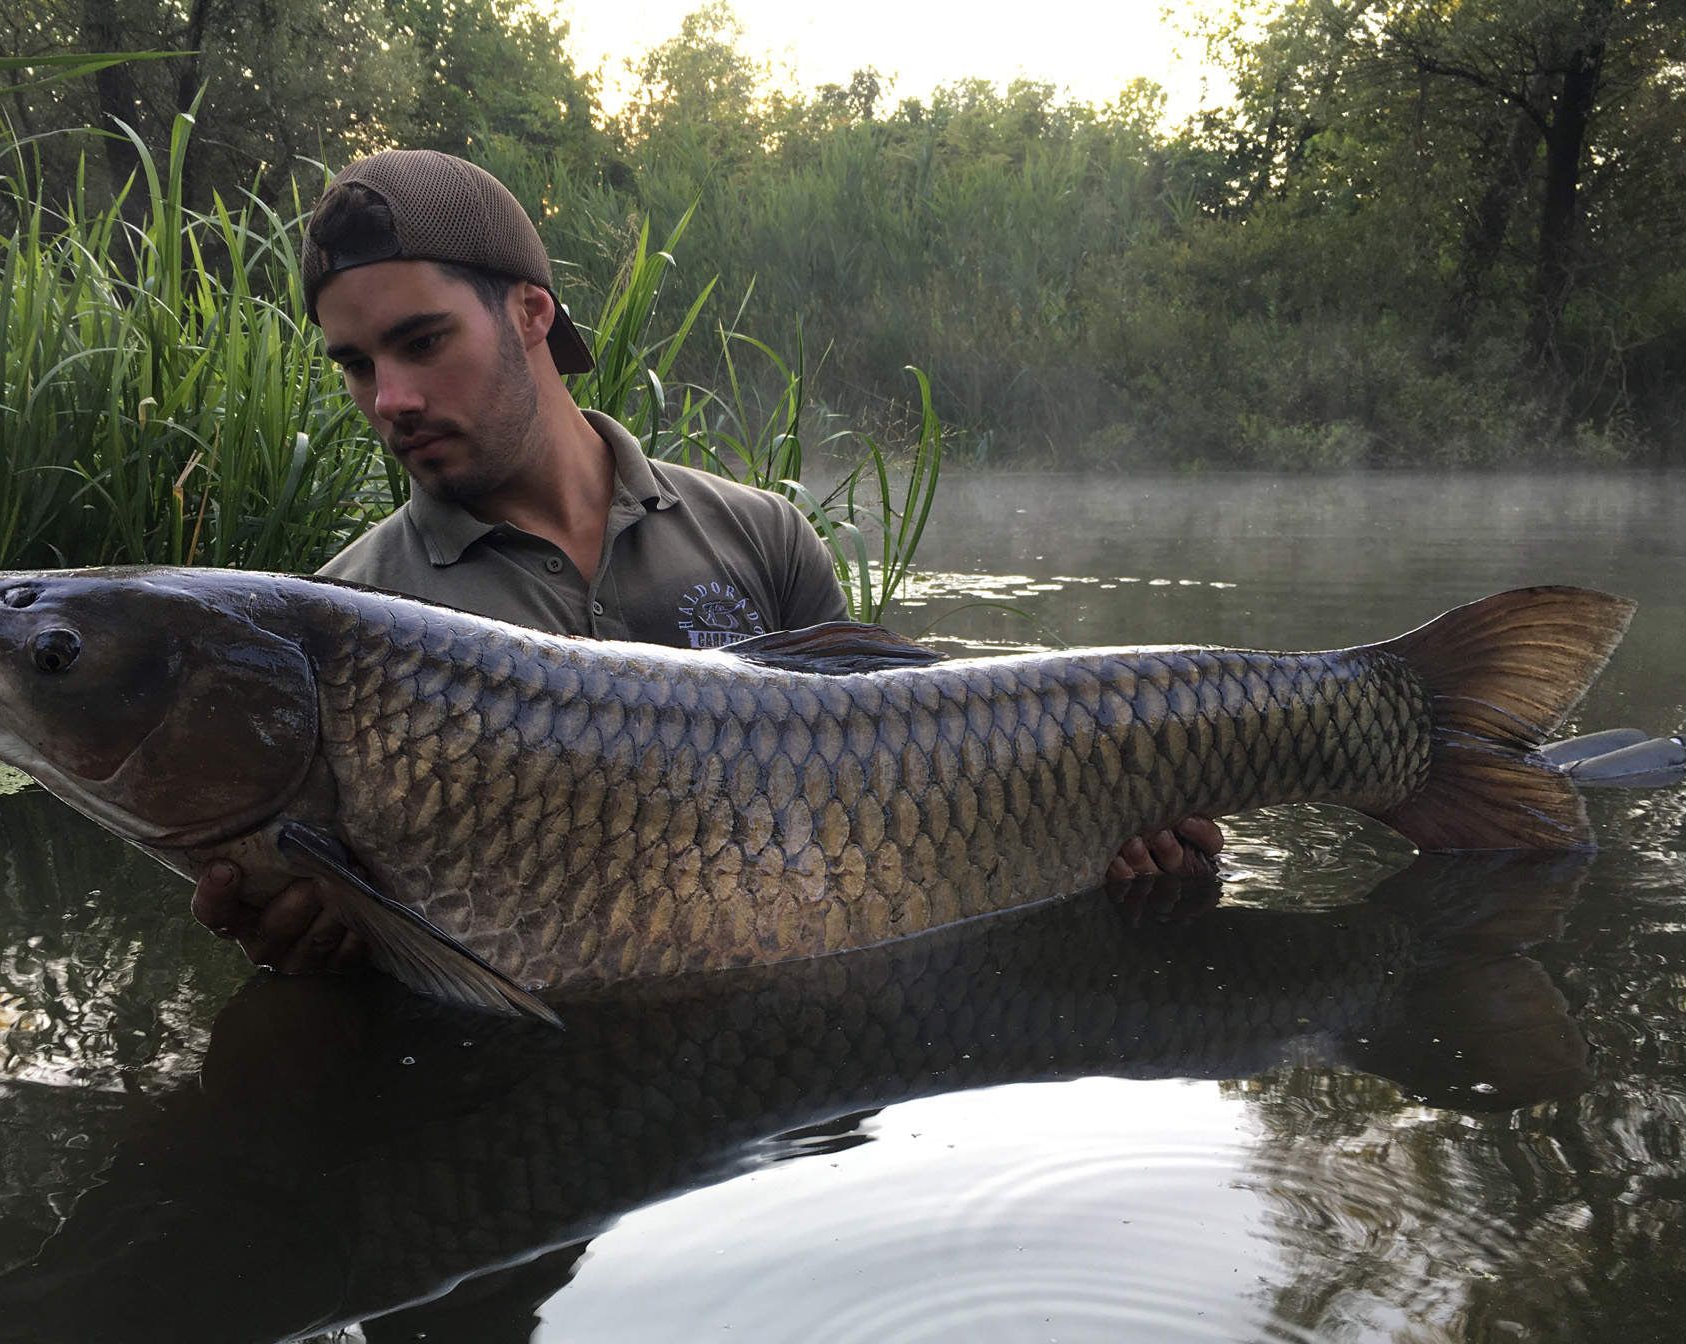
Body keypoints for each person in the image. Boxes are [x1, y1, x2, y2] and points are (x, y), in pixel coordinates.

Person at [192, 149, 1221, 973]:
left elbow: (923, 787)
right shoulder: (349, 619)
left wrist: (1107, 849)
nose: (389, 399)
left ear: (531, 313)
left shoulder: (761, 534)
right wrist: (315, 955)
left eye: (421, 343)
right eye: (358, 365)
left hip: (814, 1059)